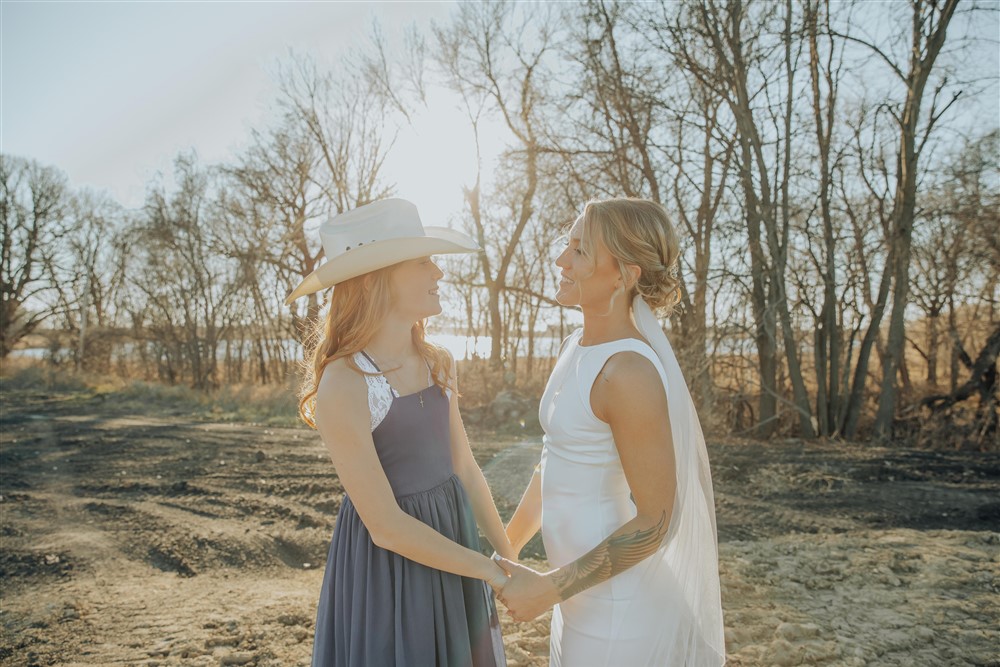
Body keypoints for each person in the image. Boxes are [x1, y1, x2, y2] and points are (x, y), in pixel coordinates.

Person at [496, 198, 725, 666]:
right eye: (568, 244)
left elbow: (656, 521)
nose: (561, 260)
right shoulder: (573, 348)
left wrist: (547, 589)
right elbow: (554, 459)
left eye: (580, 251)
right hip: (576, 602)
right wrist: (508, 544)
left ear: (624, 275)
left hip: (619, 616)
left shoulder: (628, 372)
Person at [286, 198, 512, 667]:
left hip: (455, 546)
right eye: (424, 261)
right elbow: (387, 528)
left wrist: (510, 561)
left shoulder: (438, 360)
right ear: (378, 278)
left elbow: (465, 469)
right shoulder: (345, 382)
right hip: (392, 570)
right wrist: (491, 573)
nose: (439, 273)